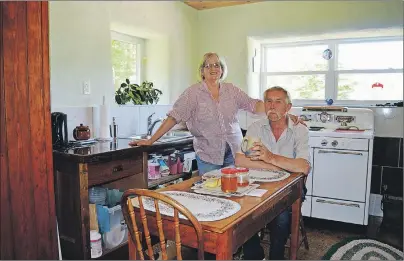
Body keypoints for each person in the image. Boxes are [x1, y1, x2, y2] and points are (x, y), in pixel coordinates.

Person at [129, 52, 303, 175]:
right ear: (202, 71)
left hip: (235, 151)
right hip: (208, 154)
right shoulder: (193, 93)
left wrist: (282, 112)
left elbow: (254, 104)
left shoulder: (231, 90)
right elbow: (174, 117)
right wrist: (151, 140)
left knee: (236, 193)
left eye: (217, 64)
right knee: (211, 194)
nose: (213, 68)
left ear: (222, 69)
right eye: (208, 65)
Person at [235, 86, 311, 260]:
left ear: (288, 107)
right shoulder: (256, 127)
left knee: (281, 219)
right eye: (268, 101)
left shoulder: (300, 130)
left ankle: (276, 256)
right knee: (240, 212)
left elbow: (303, 167)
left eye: (278, 102)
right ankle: (254, 254)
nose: (272, 106)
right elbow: (240, 160)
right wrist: (279, 166)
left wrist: (269, 157)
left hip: (289, 189)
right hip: (259, 185)